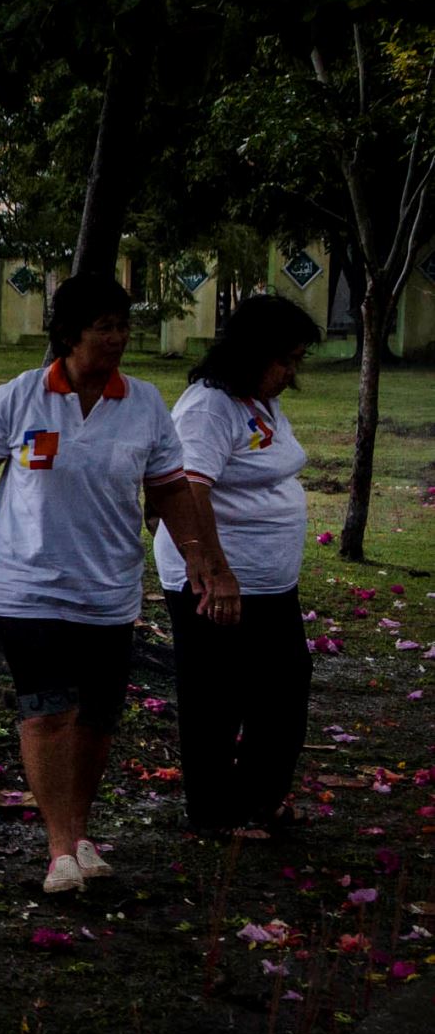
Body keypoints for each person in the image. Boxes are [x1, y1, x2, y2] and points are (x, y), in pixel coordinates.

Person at [0, 272, 239, 895]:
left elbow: (171, 490)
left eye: (125, 326)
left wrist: (201, 556)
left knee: (97, 719)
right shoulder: (20, 396)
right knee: (48, 711)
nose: (120, 338)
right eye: (106, 327)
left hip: (108, 589)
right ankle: (58, 849)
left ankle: (78, 832)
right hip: (26, 586)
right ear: (70, 334)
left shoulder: (146, 403)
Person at [155, 294, 320, 838]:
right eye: (285, 359)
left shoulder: (257, 401)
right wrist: (217, 572)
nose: (290, 372)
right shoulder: (208, 407)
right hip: (216, 580)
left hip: (270, 581)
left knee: (284, 689)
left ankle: (257, 796)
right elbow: (188, 487)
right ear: (253, 352)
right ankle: (213, 811)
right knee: (216, 697)